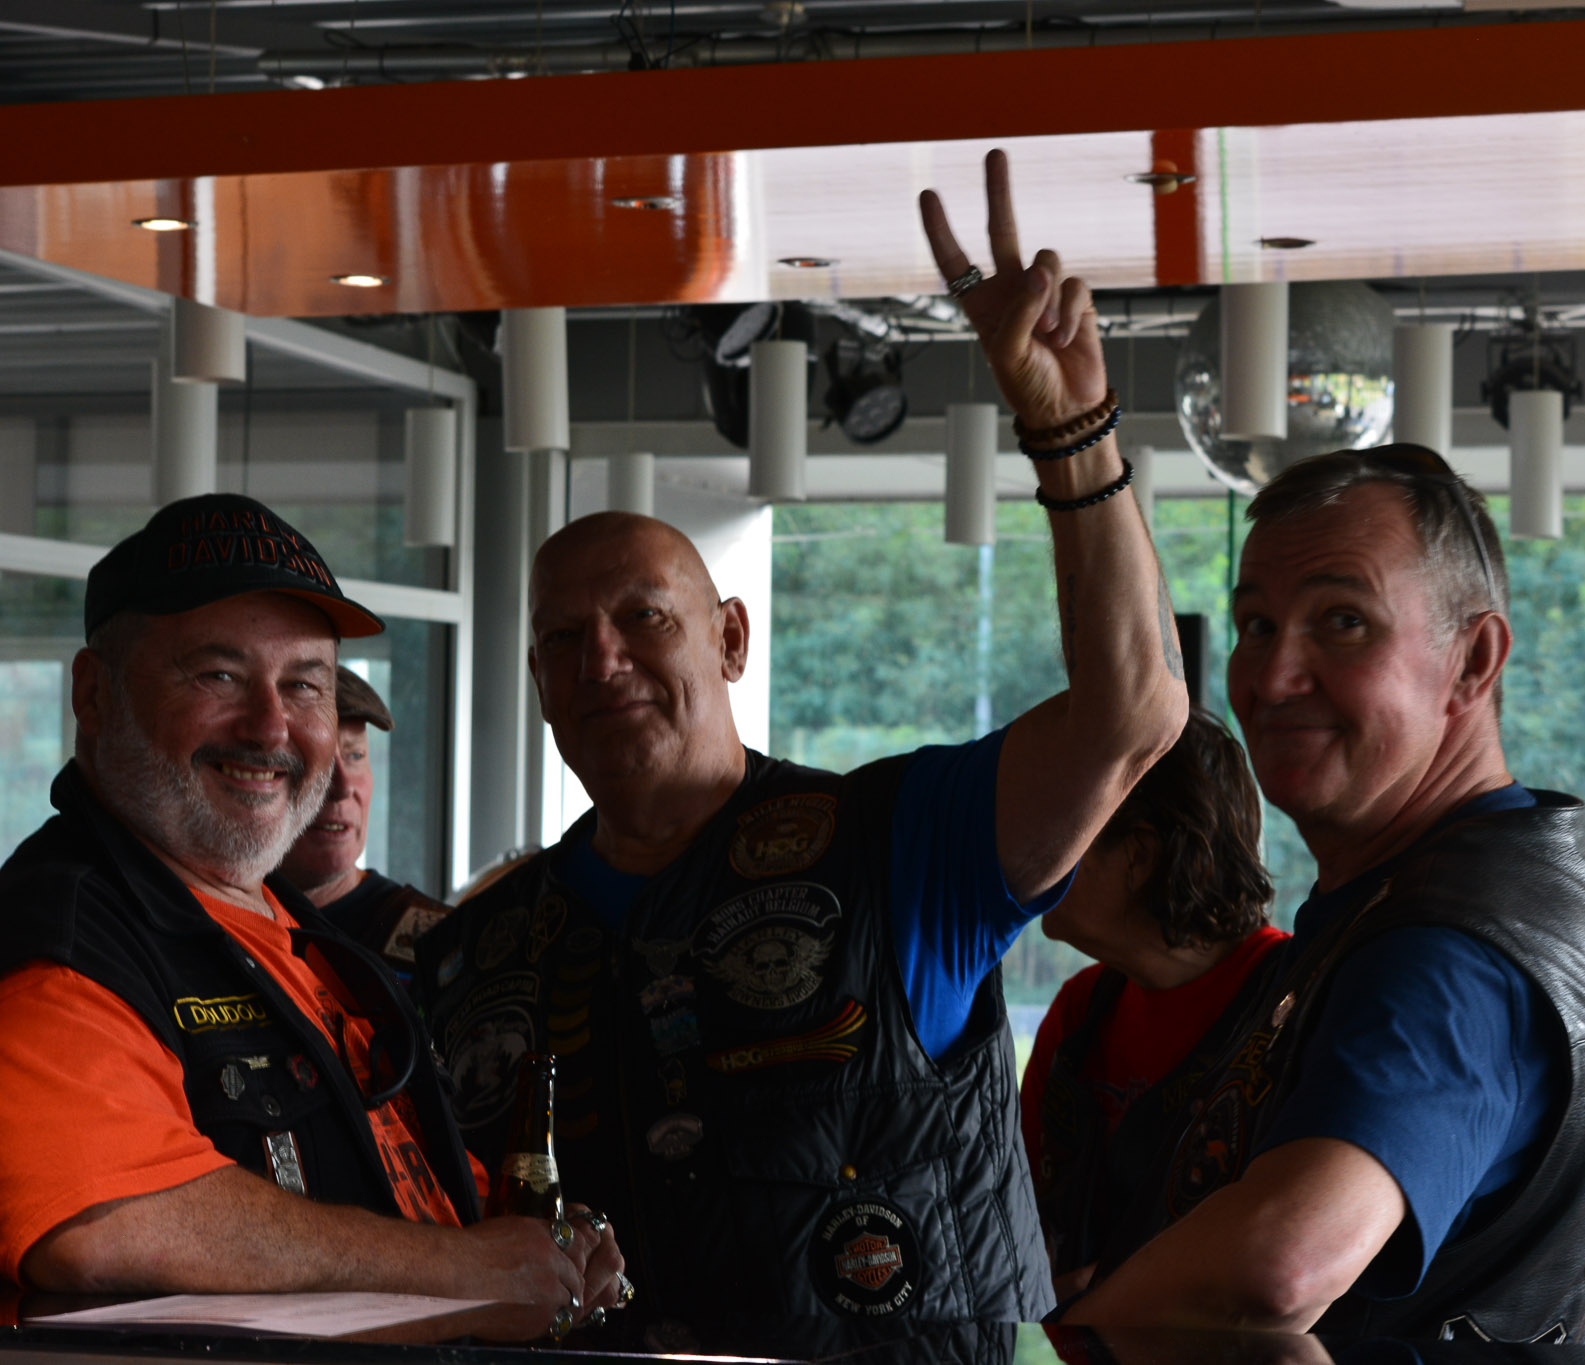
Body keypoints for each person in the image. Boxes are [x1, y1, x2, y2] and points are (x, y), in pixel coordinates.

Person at [418, 148, 1187, 1341]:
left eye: (643, 619)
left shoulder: (895, 847)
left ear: (730, 639)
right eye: (563, 638)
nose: (601, 660)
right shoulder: (478, 954)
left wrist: (1070, 431)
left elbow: (1131, 715)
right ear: (536, 680)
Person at [1064, 447, 1585, 1342]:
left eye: (1344, 621)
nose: (1273, 678)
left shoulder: (1445, 949)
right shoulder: (1496, 880)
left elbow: (1281, 1269)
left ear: (1474, 659)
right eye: (1257, 624)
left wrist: (1092, 1324)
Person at [0, 493, 620, 1330]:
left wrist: (533, 1240)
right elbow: (102, 1219)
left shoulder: (295, 934)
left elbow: (396, 1178)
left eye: (304, 684)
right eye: (218, 675)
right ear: (94, 693)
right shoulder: (62, 941)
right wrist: (468, 1267)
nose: (270, 727)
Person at [1021, 709, 1286, 1296]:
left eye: (1059, 824)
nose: (1030, 848)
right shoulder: (1080, 1013)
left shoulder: (1293, 1004)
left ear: (1137, 856)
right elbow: (1017, 1223)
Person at [278, 665, 450, 978]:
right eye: (314, 759)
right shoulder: (211, 921)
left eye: (355, 756)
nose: (343, 787)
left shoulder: (437, 941)